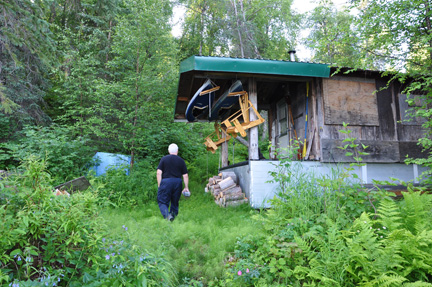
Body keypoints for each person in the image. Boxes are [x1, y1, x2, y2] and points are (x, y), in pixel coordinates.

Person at [156, 143, 189, 221]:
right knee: (175, 202)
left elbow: (158, 173)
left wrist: (159, 185)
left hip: (166, 182)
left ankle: (167, 216)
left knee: (162, 201)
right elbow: (185, 175)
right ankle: (172, 218)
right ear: (177, 151)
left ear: (168, 151)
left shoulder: (164, 159)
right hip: (177, 182)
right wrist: (186, 187)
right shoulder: (181, 160)